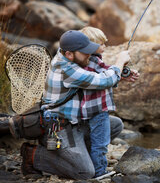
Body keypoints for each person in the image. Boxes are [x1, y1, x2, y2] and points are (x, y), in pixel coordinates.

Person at [20, 30, 139, 180]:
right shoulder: (66, 69)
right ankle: (33, 155)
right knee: (85, 173)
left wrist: (120, 74)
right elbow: (103, 81)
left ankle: (78, 156)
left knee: (115, 125)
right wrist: (119, 62)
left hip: (76, 123)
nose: (89, 55)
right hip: (60, 129)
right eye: (85, 53)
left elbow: (94, 74)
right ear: (70, 54)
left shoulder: (69, 56)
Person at [80, 26, 126, 178]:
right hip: (99, 110)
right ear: (91, 46)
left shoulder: (85, 61)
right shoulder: (94, 61)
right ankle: (99, 171)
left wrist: (123, 71)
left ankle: (94, 164)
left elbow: (109, 71)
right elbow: (108, 76)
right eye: (101, 44)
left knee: (98, 140)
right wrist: (122, 60)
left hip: (89, 110)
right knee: (101, 142)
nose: (105, 47)